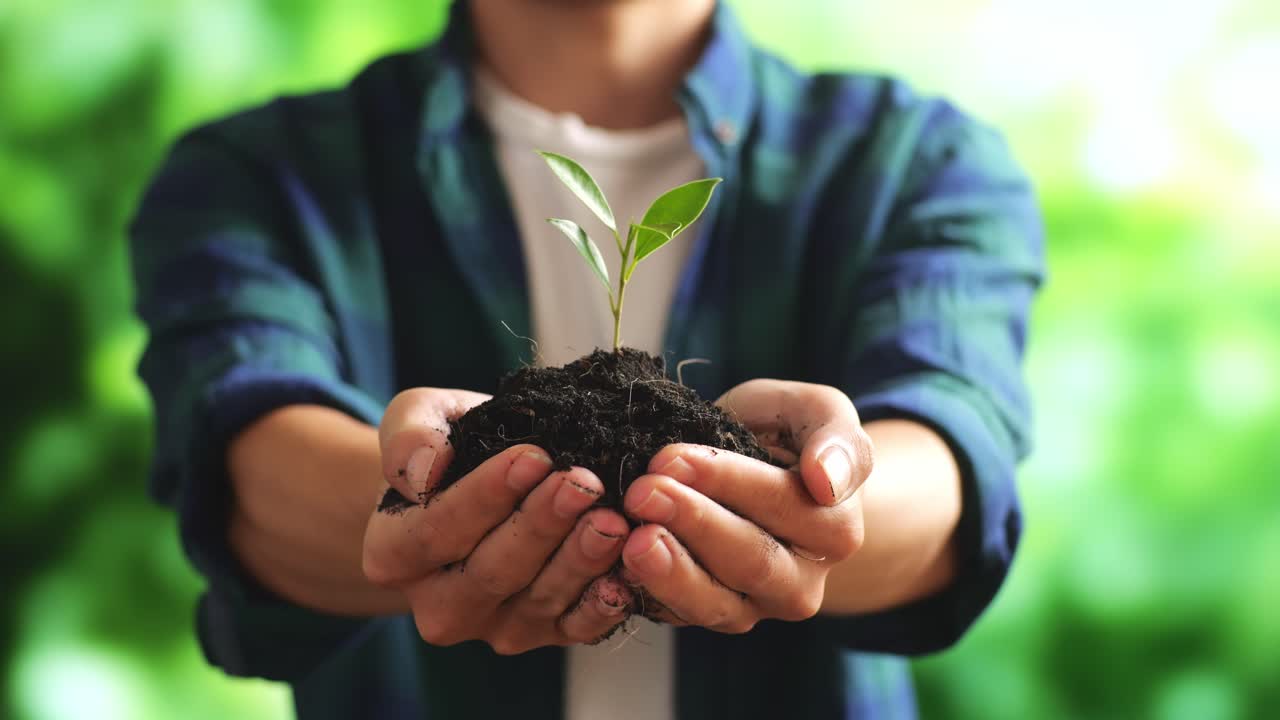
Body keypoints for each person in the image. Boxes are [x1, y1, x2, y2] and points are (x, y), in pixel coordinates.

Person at [129, 0, 1044, 717]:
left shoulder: (915, 162)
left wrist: (816, 495)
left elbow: (949, 459)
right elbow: (247, 465)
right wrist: (438, 500)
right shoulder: (254, 179)